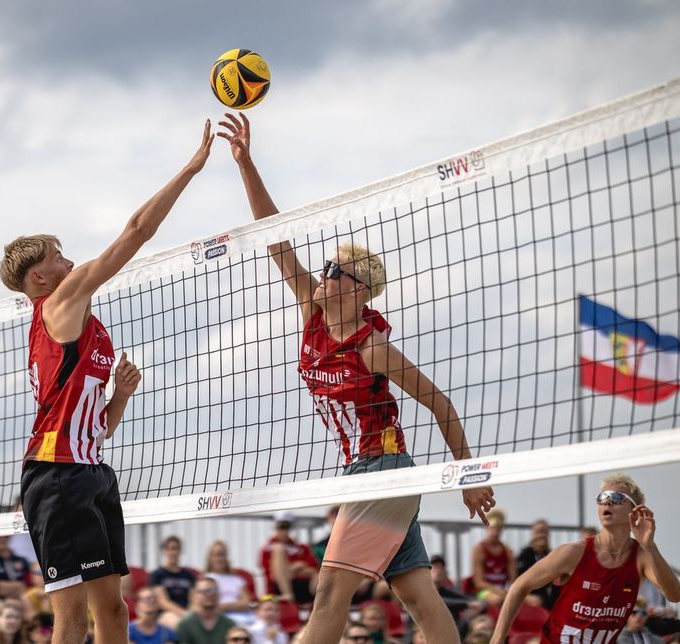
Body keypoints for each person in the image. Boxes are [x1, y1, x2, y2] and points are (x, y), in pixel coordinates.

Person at [217, 112, 495, 644]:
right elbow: (276, 240)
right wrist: (246, 162)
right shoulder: (312, 314)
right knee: (417, 595)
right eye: (323, 269)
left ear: (357, 290)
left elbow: (441, 405)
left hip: (382, 469)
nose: (321, 276)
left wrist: (469, 477)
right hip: (367, 471)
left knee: (329, 594)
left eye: (333, 272)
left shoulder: (373, 347)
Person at [0, 120, 213, 644]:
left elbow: (98, 429)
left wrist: (118, 396)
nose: (71, 262)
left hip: (91, 470)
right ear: (39, 279)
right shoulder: (58, 304)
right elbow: (138, 230)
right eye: (58, 257)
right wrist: (190, 169)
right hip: (56, 477)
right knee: (71, 620)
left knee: (113, 614)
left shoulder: (90, 330)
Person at [490, 474, 680, 644]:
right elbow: (518, 586)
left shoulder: (641, 556)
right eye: (602, 498)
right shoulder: (573, 553)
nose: (607, 503)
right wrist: (497, 639)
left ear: (635, 511)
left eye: (616, 498)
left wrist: (651, 546)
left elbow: (674, 595)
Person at [259, 512, 318, 604]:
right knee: (279, 549)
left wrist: (287, 570)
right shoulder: (267, 549)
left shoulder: (302, 547)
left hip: (305, 587)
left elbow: (313, 568)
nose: (284, 530)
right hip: (277, 590)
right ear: (275, 527)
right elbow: (273, 575)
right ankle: (287, 594)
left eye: (286, 527)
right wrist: (295, 567)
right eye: (281, 526)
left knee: (320, 574)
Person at [469, 509, 515, 605]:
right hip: (484, 591)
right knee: (498, 599)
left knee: (532, 601)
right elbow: (479, 582)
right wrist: (498, 591)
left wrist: (510, 591)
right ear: (487, 527)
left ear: (502, 528)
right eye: (492, 527)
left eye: (498, 528)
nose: (495, 531)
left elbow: (513, 579)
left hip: (503, 590)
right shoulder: (479, 549)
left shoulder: (508, 551)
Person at [149, 536, 196, 630]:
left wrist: (190, 613)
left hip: (188, 612)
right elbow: (162, 602)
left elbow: (194, 599)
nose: (173, 552)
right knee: (181, 624)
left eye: (175, 549)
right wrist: (184, 614)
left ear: (180, 551)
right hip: (166, 614)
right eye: (169, 549)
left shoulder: (189, 575)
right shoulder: (157, 575)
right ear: (164, 551)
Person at [204, 540, 254, 626]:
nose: (219, 558)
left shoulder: (237, 579)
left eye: (222, 555)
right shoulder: (206, 579)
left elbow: (246, 603)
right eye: (216, 555)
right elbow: (209, 605)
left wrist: (223, 607)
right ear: (210, 558)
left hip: (245, 617)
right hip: (219, 620)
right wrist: (236, 605)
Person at [176, 577, 237, 644]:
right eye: (203, 591)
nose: (209, 595)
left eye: (213, 591)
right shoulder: (186, 624)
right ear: (194, 595)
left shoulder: (228, 624)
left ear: (218, 594)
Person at [516, 519, 552, 607]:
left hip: (546, 600)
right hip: (526, 598)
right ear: (533, 534)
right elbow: (515, 581)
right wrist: (526, 597)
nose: (542, 535)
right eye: (539, 532)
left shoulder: (552, 555)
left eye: (544, 532)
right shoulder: (523, 555)